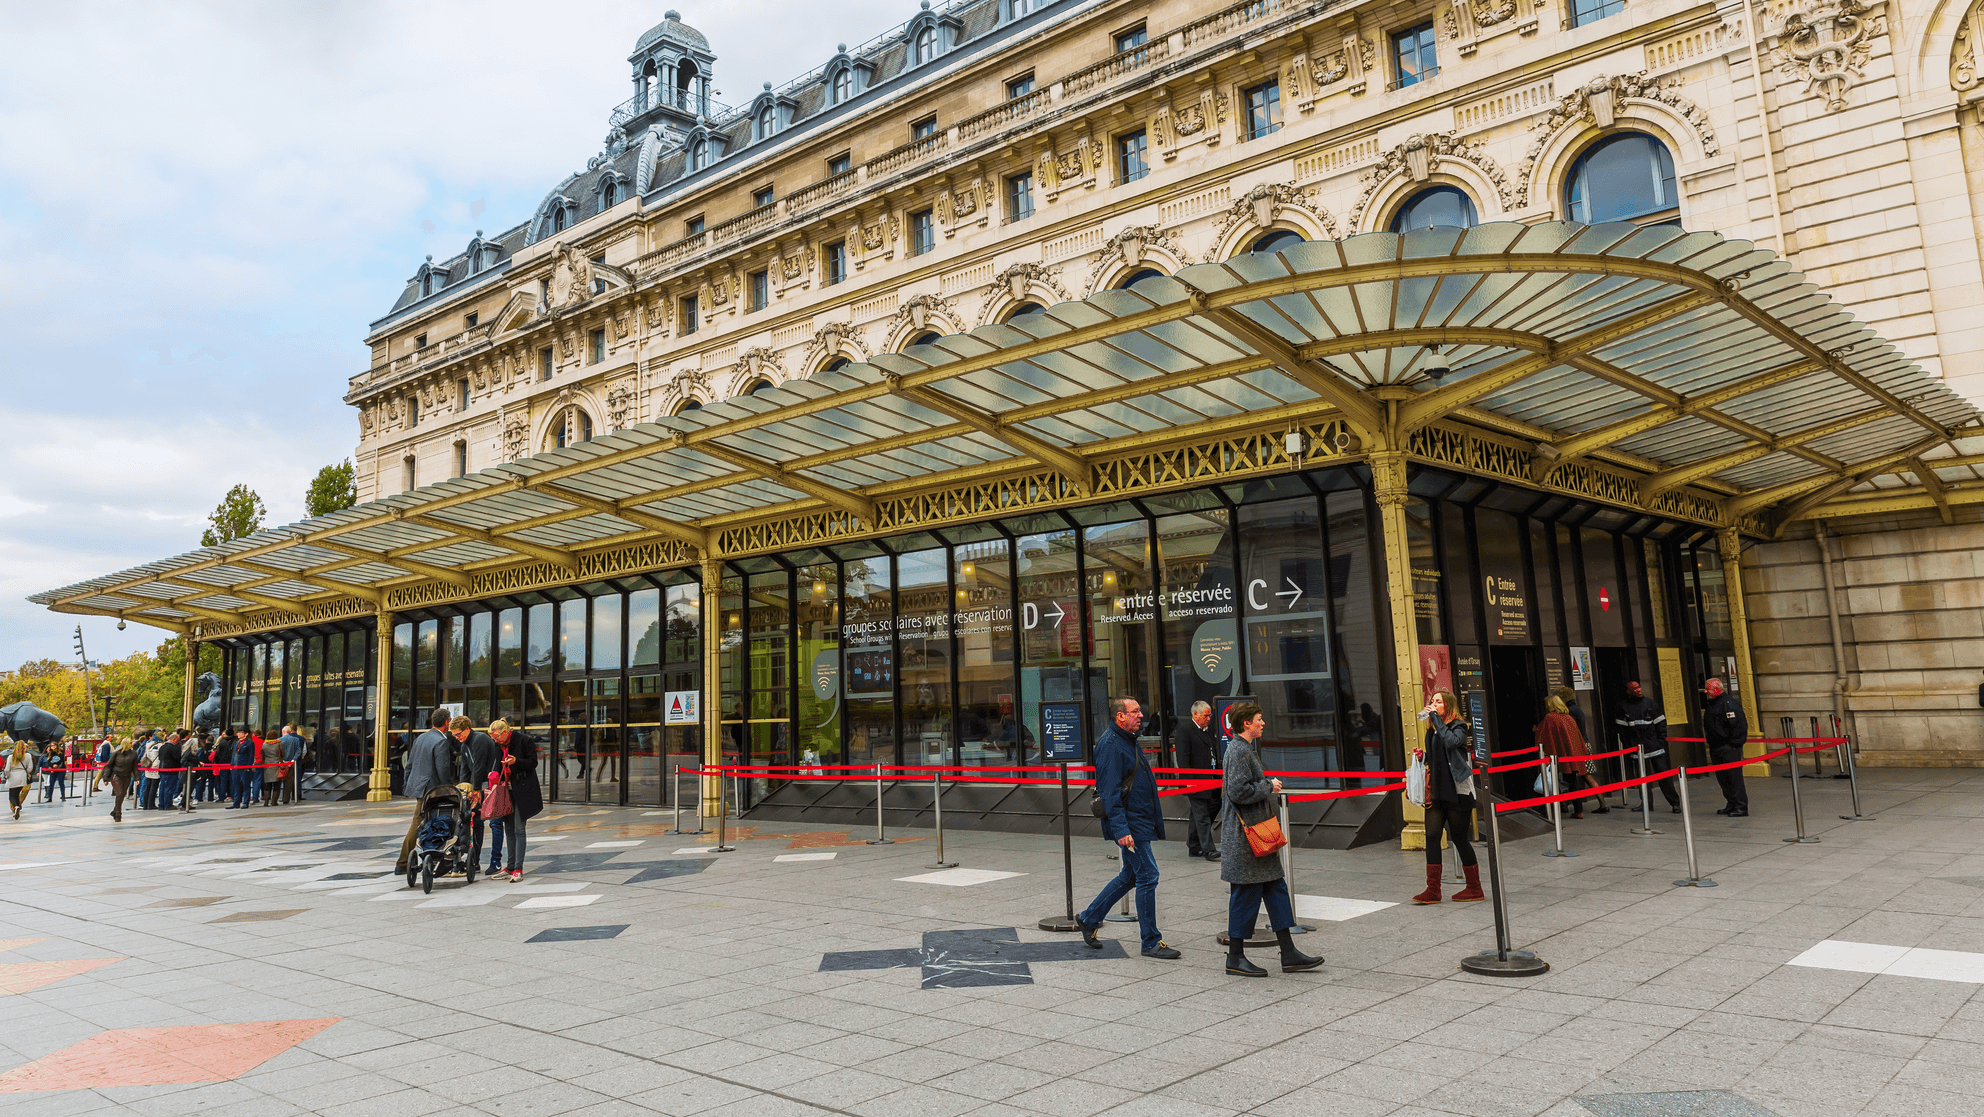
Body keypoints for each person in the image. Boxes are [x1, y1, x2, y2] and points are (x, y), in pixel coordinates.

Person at [1219, 702, 1323, 976]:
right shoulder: (1239, 751)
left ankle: (1288, 952)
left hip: (1257, 838)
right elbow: (1238, 791)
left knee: (1276, 889)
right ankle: (1235, 957)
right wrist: (1269, 786)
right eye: (1258, 719)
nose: (1263, 723)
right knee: (1245, 894)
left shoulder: (1243, 749)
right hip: (1247, 838)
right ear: (1246, 724)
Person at [1074, 696, 1180, 960]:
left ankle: (1089, 918)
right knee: (1148, 875)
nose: (1140, 715)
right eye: (1134, 712)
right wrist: (1121, 830)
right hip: (1130, 825)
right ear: (1120, 716)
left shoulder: (1126, 740)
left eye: (1139, 712)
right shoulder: (1111, 745)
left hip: (1139, 821)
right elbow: (1109, 793)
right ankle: (1150, 942)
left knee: (1132, 876)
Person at [1411, 690, 1484, 904]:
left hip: (1457, 791)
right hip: (1437, 791)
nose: (1433, 705)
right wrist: (1423, 756)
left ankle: (1474, 888)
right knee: (1432, 835)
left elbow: (1452, 743)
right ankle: (1433, 890)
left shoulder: (1459, 727)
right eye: (1432, 701)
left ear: (1448, 705)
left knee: (1460, 838)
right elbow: (1436, 757)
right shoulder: (1433, 731)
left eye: (1438, 702)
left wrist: (1435, 719)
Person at [395, 709, 458, 876]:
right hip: (432, 790)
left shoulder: (421, 738)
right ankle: (403, 862)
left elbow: (409, 764)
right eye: (450, 720)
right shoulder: (441, 741)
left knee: (421, 822)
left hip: (419, 787)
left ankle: (420, 857)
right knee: (419, 824)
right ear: (446, 723)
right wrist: (449, 789)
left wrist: (407, 784)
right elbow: (443, 769)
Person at [486, 719, 542, 881]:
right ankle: (510, 867)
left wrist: (515, 761)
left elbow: (533, 763)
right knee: (508, 829)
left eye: (497, 737)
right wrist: (493, 776)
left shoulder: (524, 740)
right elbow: (497, 765)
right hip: (505, 791)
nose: (496, 741)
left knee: (519, 828)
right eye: (493, 739)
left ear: (505, 732)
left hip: (523, 790)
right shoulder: (499, 745)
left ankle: (518, 867)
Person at [1615, 681, 1681, 813]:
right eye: (1635, 688)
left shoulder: (1650, 703)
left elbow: (1660, 722)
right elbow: (1621, 729)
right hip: (1637, 748)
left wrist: (1660, 741)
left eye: (1639, 687)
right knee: (1642, 779)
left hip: (1654, 746)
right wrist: (1629, 745)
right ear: (1629, 691)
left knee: (1664, 776)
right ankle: (1646, 804)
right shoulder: (1623, 706)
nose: (1639, 690)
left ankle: (1675, 803)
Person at [449, 717, 498, 869]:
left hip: (487, 784)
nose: (457, 738)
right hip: (478, 784)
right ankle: (471, 858)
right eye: (454, 736)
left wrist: (475, 789)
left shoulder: (479, 739)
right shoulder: (465, 745)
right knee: (471, 819)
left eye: (458, 734)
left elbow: (479, 766)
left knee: (481, 821)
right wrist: (464, 789)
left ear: (467, 729)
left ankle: (479, 860)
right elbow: (464, 768)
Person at [1553, 686, 1609, 813]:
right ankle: (1602, 801)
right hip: (1585, 744)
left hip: (1578, 746)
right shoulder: (1577, 709)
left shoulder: (1569, 711)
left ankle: (1567, 804)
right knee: (1586, 775)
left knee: (1573, 776)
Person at [1176, 700, 1220, 861]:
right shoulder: (1185, 729)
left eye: (1209, 715)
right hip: (1195, 781)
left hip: (1212, 780)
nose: (1209, 718)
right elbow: (1183, 757)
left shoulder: (1207, 731)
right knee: (1201, 814)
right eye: (1206, 715)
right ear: (1195, 714)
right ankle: (1208, 849)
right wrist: (1188, 780)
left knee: (1201, 813)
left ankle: (1194, 845)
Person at [1537, 695, 1593, 819]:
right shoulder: (1568, 718)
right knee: (1572, 780)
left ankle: (1556, 808)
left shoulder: (1550, 718)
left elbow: (1545, 737)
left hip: (1557, 755)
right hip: (1571, 755)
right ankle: (1578, 810)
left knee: (1553, 780)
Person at [1702, 678, 1750, 817]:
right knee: (1723, 779)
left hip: (1728, 747)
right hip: (1716, 746)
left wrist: (1734, 744)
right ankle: (1731, 803)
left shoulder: (1729, 703)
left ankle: (1741, 805)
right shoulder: (1713, 704)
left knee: (1734, 778)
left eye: (1708, 688)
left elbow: (1738, 725)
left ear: (1717, 689)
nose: (1706, 691)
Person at [101, 737, 139, 822]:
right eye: (130, 743)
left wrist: (137, 777)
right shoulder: (116, 753)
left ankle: (115, 810)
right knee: (119, 793)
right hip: (116, 775)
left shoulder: (134, 754)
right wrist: (106, 778)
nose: (132, 744)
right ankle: (118, 813)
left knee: (122, 795)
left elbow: (135, 767)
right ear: (126, 744)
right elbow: (108, 766)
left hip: (127, 776)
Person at [4, 740, 38, 820]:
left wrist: (7, 776)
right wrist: (26, 772)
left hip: (12, 775)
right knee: (18, 792)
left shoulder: (10, 756)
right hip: (22, 775)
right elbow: (30, 768)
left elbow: (6, 769)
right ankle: (18, 806)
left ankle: (16, 806)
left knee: (12, 794)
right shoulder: (28, 755)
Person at [228, 729, 257, 808]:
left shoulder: (249, 743)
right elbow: (233, 754)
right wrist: (231, 764)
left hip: (244, 766)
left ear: (246, 734)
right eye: (238, 732)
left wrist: (248, 766)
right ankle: (236, 802)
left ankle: (245, 802)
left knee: (245, 785)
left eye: (241, 732)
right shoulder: (236, 742)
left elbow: (251, 755)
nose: (238, 734)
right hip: (235, 766)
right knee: (236, 785)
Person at [156, 730, 184, 811]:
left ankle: (161, 804)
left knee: (162, 787)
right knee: (169, 787)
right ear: (174, 739)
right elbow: (177, 758)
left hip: (162, 769)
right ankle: (168, 804)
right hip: (171, 769)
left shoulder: (162, 747)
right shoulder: (174, 748)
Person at [278, 726, 306, 804]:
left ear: (283, 732)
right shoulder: (296, 740)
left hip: (282, 764)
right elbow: (299, 752)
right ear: (290, 732)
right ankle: (286, 799)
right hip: (292, 764)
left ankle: (275, 798)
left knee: (279, 781)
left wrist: (282, 761)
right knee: (289, 782)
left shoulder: (279, 740)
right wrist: (293, 760)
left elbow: (278, 752)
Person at [136, 730, 161, 810]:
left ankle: (145, 803)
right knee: (146, 785)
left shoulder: (146, 744)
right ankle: (144, 803)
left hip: (147, 766)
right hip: (149, 766)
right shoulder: (148, 744)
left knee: (147, 785)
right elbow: (141, 756)